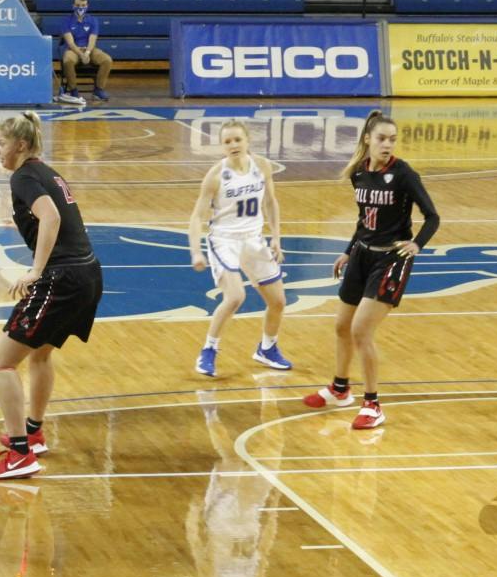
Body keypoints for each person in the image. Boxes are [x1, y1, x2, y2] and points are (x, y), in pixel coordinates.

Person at [0, 111, 105, 479]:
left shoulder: (23, 176)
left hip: (62, 278)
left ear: (20, 145)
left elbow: (50, 217)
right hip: (87, 273)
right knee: (40, 353)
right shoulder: (45, 171)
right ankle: (33, 432)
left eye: (1, 143)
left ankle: (20, 453)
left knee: (0, 361)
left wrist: (35, 271)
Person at [300, 110, 438, 431]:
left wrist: (417, 244)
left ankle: (373, 404)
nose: (387, 144)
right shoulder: (359, 173)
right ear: (367, 140)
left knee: (361, 330)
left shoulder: (404, 175)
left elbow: (432, 216)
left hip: (391, 259)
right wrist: (348, 251)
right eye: (381, 138)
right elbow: (365, 219)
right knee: (341, 326)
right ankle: (339, 389)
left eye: (392, 139)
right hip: (362, 255)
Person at [187, 119, 293, 377]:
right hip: (224, 240)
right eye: (227, 141)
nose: (233, 145)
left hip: (253, 239)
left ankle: (267, 348)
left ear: (247, 141)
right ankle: (208, 350)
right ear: (222, 146)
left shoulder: (262, 166)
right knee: (235, 297)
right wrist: (196, 252)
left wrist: (276, 237)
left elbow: (270, 201)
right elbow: (196, 217)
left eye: (237, 140)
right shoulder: (215, 175)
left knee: (278, 301)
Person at [56, 0, 112, 104]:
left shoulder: (93, 20)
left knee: (107, 60)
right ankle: (73, 90)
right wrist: (81, 54)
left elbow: (92, 40)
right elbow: (70, 42)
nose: (80, 8)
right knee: (67, 60)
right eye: (78, 5)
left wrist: (87, 52)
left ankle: (98, 89)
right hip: (74, 50)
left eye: (83, 5)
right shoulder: (66, 21)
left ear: (87, 6)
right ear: (73, 6)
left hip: (89, 49)